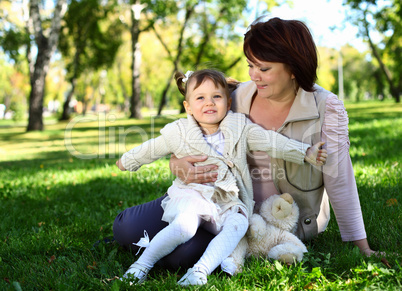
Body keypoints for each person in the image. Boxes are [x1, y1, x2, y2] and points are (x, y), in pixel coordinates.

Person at [169, 17, 378, 256]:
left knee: (182, 254)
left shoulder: (325, 108)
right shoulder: (235, 98)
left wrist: (362, 247)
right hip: (221, 209)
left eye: (264, 68)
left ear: (293, 68)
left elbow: (339, 178)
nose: (254, 75)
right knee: (128, 228)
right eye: (251, 65)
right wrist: (177, 164)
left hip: (281, 224)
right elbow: (188, 145)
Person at [115, 69, 326, 285]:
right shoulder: (178, 131)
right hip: (192, 195)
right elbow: (151, 148)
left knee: (239, 223)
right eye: (200, 98)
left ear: (227, 102)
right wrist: (127, 161)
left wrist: (304, 152)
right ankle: (141, 266)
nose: (209, 103)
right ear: (188, 106)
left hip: (226, 201)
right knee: (185, 226)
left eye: (216, 97)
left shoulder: (240, 128)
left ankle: (200, 271)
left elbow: (270, 141)